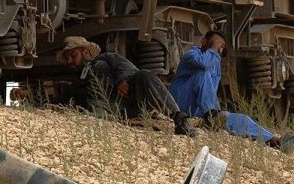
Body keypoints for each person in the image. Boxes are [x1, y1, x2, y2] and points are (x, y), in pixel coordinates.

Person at [169, 30, 294, 153]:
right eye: (216, 44)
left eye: (221, 47)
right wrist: (213, 49)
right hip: (180, 101)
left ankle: (276, 141)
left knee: (241, 119)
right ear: (204, 42)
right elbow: (203, 65)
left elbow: (210, 92)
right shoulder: (192, 54)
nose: (219, 50)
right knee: (203, 73)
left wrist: (220, 116)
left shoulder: (215, 63)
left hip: (200, 110)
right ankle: (212, 116)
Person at [54, 36, 197, 137]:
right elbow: (65, 97)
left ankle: (180, 119)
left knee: (144, 75)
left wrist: (122, 80)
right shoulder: (77, 80)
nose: (70, 60)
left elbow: (126, 67)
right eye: (67, 58)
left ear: (85, 51)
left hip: (128, 101)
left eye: (73, 55)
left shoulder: (106, 58)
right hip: (109, 113)